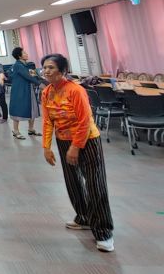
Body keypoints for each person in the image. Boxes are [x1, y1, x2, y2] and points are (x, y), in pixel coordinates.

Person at [40, 54, 114, 252]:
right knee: (73, 182)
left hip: (87, 141)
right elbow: (47, 121)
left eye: (51, 67)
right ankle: (83, 217)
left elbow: (84, 121)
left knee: (95, 184)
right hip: (63, 140)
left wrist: (76, 146)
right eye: (44, 67)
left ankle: (104, 232)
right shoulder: (46, 92)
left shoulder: (76, 90)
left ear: (62, 70)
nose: (46, 71)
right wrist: (46, 147)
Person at [9, 47, 46, 140]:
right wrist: (40, 84)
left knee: (32, 107)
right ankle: (16, 131)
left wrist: (42, 80)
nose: (26, 54)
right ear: (19, 56)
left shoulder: (27, 65)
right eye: (24, 53)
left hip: (29, 89)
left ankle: (31, 129)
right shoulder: (18, 65)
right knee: (18, 109)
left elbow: (34, 75)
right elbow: (28, 76)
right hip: (20, 91)